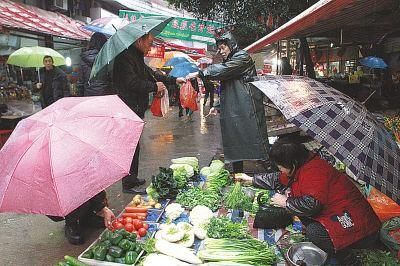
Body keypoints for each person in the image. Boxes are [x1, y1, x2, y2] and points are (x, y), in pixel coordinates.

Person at [236, 138, 381, 264]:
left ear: (292, 163)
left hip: (361, 229)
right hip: (336, 212)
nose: (280, 170)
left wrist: (285, 202)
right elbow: (278, 179)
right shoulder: (302, 164)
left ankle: (349, 258)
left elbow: (312, 205)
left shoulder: (315, 172)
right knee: (302, 213)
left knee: (314, 232)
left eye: (281, 166)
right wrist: (251, 180)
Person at [113, 33, 185, 194]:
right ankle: (128, 183)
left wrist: (173, 80)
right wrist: (154, 87)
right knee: (129, 146)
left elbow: (151, 74)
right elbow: (131, 82)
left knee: (134, 145)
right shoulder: (124, 58)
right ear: (139, 40)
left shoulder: (136, 56)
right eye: (149, 43)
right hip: (127, 107)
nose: (150, 47)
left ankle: (132, 178)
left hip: (136, 107)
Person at [189, 32, 269, 173]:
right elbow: (229, 86)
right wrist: (217, 106)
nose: (221, 51)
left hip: (247, 109)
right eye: (219, 49)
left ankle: (272, 172)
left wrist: (201, 72)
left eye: (223, 48)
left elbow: (224, 70)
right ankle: (237, 174)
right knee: (235, 143)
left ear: (231, 45)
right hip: (236, 109)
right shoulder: (232, 60)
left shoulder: (242, 57)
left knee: (257, 143)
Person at [77, 32, 113, 96]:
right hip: (106, 95)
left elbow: (80, 83)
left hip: (89, 96)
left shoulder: (83, 59)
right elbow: (112, 78)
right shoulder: (107, 58)